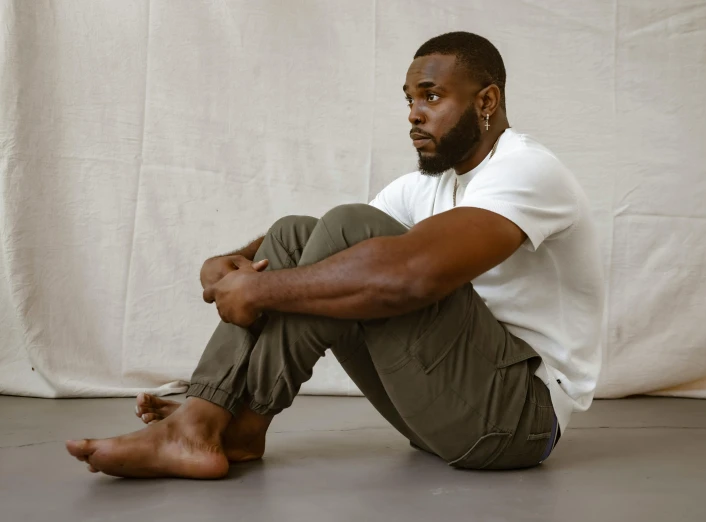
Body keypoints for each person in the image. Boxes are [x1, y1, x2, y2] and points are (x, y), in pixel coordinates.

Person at [66, 31, 604, 478]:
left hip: (518, 422)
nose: (415, 115)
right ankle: (217, 419)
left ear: (486, 101)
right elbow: (318, 242)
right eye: (409, 100)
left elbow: (410, 278)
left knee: (351, 233)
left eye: (432, 97)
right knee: (296, 235)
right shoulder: (433, 186)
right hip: (441, 414)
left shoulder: (527, 170)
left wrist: (256, 289)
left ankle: (220, 422)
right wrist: (226, 262)